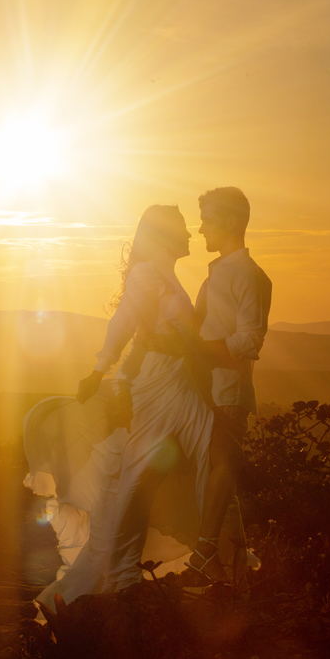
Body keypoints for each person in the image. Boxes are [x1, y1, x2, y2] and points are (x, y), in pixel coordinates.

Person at [29, 205, 215, 614]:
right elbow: (124, 321)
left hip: (180, 381)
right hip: (159, 384)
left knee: (206, 462)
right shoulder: (147, 273)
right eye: (182, 230)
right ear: (164, 237)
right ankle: (117, 580)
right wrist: (100, 369)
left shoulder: (167, 274)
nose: (190, 235)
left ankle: (214, 561)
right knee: (136, 482)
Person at [184, 186, 272, 585]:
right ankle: (230, 570)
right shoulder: (218, 272)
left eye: (208, 220)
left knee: (223, 466)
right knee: (215, 478)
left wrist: (199, 350)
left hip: (227, 389)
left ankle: (205, 556)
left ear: (232, 222)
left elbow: (250, 340)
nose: (201, 228)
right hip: (202, 386)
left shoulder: (251, 276)